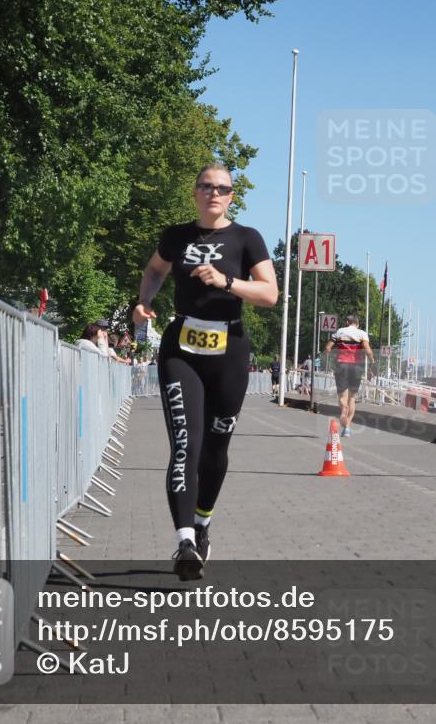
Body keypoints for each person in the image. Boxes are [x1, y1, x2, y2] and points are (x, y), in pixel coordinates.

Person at [133, 162, 277, 581]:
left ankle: (202, 522)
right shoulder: (176, 236)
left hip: (229, 350)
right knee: (185, 446)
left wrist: (227, 282)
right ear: (194, 192)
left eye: (222, 188)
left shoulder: (246, 238)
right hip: (181, 348)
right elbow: (155, 269)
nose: (214, 193)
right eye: (206, 186)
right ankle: (184, 542)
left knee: (216, 450)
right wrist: (144, 303)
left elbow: (269, 294)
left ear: (232, 196)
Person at [325, 315, 375, 437]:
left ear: (347, 322)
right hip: (356, 367)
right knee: (352, 398)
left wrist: (331, 360)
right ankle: (347, 428)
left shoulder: (340, 331)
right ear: (357, 324)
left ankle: (343, 410)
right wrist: (372, 359)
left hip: (341, 365)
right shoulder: (362, 333)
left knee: (343, 397)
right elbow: (367, 349)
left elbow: (328, 348)